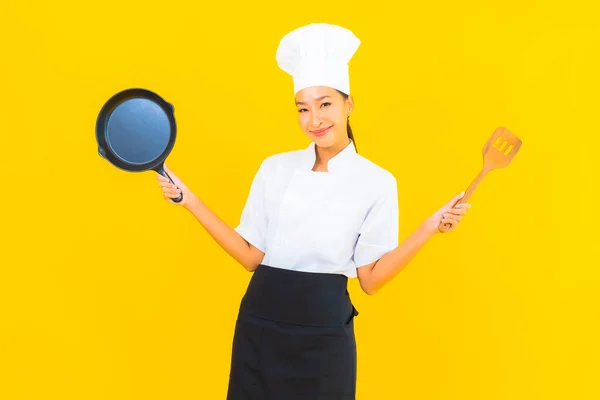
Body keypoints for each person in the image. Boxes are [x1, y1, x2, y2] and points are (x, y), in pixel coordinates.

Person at [156, 23, 472, 400]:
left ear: (348, 104)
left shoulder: (377, 182)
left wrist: (428, 227)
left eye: (325, 104)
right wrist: (190, 201)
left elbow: (370, 280)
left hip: (325, 332)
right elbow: (250, 256)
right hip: (261, 324)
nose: (314, 120)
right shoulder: (275, 168)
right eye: (303, 109)